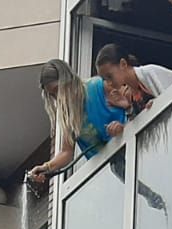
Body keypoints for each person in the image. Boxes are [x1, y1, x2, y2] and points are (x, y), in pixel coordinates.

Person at [27, 60, 127, 188]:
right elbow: (66, 152)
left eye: (57, 90)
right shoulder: (68, 115)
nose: (57, 97)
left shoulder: (98, 87)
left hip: (133, 146)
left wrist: (123, 127)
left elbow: (133, 104)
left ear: (67, 80)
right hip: (113, 168)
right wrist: (46, 167)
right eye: (52, 95)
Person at [94, 44, 172, 118]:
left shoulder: (150, 73)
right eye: (105, 79)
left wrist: (157, 104)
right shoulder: (129, 96)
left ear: (123, 64)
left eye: (109, 76)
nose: (108, 83)